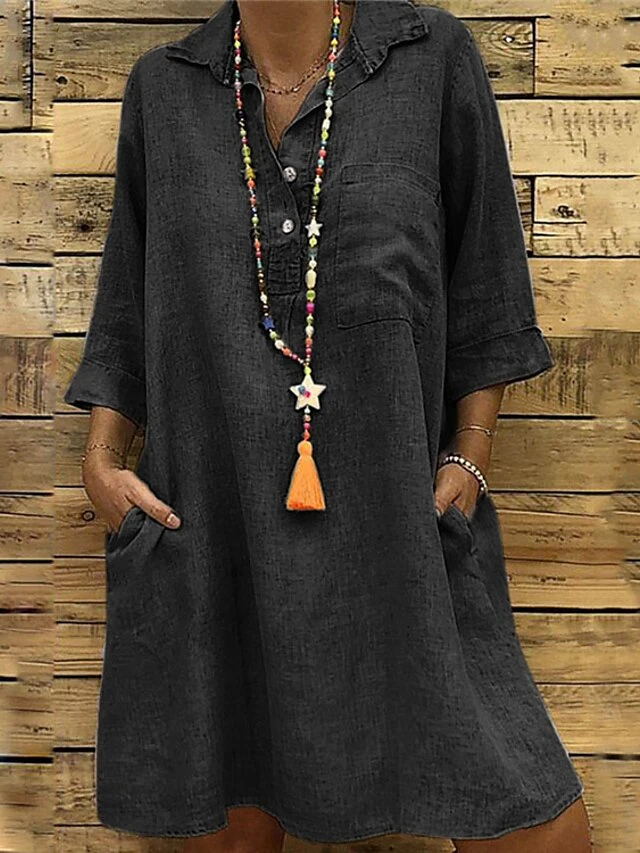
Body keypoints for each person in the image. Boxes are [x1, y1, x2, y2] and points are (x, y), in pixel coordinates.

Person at [63, 0, 594, 851]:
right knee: (233, 822)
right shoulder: (163, 91)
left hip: (400, 531)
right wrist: (101, 460)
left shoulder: (430, 59)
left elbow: (488, 282)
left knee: (537, 825)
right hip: (216, 535)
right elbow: (127, 307)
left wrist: (471, 454)